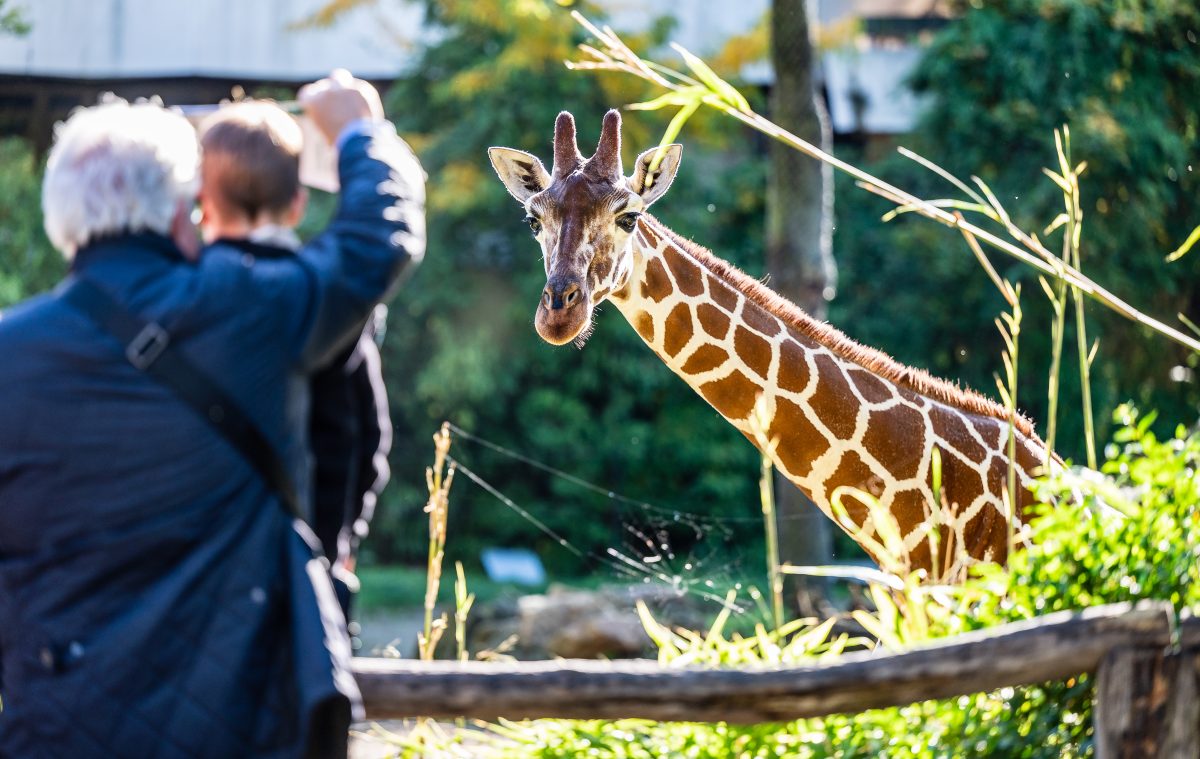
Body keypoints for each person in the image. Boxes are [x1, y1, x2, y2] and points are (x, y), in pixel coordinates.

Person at [0, 71, 425, 758]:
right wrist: (360, 132)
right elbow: (379, 240)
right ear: (183, 212)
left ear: (60, 219)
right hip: (246, 722)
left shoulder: (9, 355)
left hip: (53, 726)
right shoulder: (249, 307)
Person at [195, 101, 393, 621]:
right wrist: (345, 534)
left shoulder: (180, 297)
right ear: (299, 204)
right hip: (310, 556)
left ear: (203, 205)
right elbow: (366, 435)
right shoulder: (325, 304)